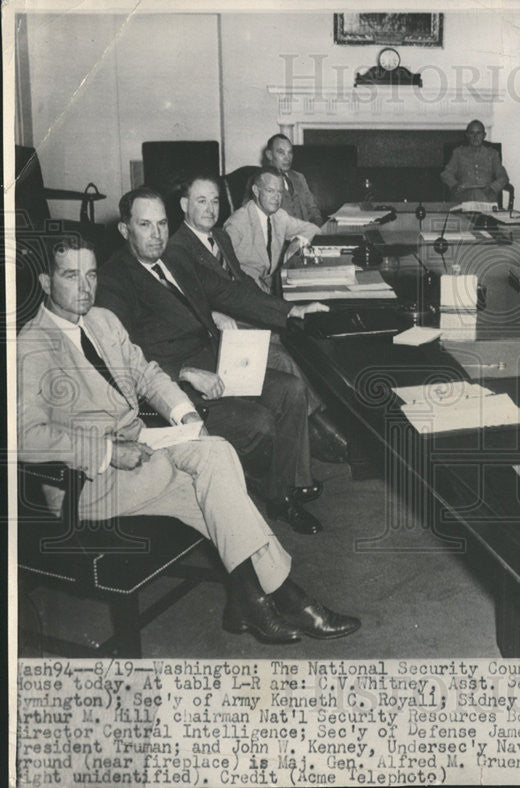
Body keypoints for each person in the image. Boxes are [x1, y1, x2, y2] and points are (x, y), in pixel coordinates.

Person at [18, 236, 360, 642]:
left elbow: (147, 374)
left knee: (214, 473)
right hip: (87, 484)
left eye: (91, 274)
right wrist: (107, 451)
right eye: (71, 276)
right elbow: (24, 436)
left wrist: (186, 416)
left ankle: (253, 599)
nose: (85, 287)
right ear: (44, 281)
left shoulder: (102, 321)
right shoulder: (31, 346)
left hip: (142, 449)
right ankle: (281, 598)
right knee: (216, 470)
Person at [96, 187, 328, 534]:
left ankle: (280, 497)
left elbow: (230, 293)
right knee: (260, 423)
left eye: (162, 224)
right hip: (178, 386)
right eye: (145, 225)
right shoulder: (114, 281)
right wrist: (185, 373)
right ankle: (239, 498)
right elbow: (123, 356)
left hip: (218, 364)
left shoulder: (175, 258)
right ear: (125, 229)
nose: (157, 234)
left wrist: (293, 309)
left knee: (292, 390)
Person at [166, 175, 349, 462]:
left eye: (215, 201)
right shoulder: (176, 249)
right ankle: (322, 429)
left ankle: (317, 428)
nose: (210, 208)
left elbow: (240, 287)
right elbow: (183, 304)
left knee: (292, 344)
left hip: (241, 318)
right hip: (215, 340)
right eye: (201, 201)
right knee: (284, 357)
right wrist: (213, 314)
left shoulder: (219, 237)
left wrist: (284, 308)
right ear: (183, 205)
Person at [224, 166, 321, 294]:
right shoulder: (237, 223)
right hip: (244, 293)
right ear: (256, 191)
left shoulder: (280, 216)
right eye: (270, 191)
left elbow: (313, 229)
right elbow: (222, 269)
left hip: (269, 291)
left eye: (280, 192)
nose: (276, 197)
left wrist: (297, 242)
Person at [440, 119, 509, 203]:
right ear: (467, 135)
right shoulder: (458, 153)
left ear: (484, 135)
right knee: (474, 194)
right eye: (472, 133)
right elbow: (446, 174)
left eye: (478, 133)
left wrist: (492, 188)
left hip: (487, 196)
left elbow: (503, 177)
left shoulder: (493, 154)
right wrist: (455, 185)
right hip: (464, 196)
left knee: (477, 194)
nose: (475, 136)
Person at [263, 133, 324, 226]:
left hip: (307, 234)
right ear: (269, 155)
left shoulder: (299, 177)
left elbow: (313, 209)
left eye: (290, 152)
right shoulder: (260, 180)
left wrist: (316, 228)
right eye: (281, 152)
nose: (287, 158)